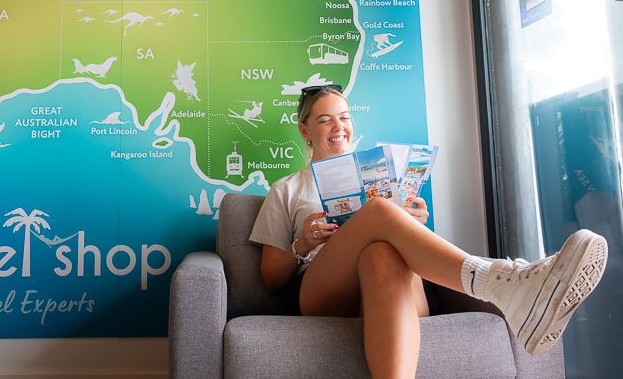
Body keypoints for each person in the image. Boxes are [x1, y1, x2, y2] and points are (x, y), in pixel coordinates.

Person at [249, 85, 608, 378]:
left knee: (381, 251)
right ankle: (502, 282)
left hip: (389, 282)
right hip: (323, 291)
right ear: (304, 130)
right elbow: (271, 279)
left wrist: (408, 222)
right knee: (378, 210)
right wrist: (304, 242)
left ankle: (503, 286)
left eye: (344, 117)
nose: (338, 127)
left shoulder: (380, 174)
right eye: (325, 120)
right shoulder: (286, 189)